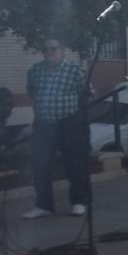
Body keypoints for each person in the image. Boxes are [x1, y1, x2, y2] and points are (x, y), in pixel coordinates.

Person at [23, 37, 89, 219]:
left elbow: (86, 93)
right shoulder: (35, 71)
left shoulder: (75, 70)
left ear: (62, 50)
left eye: (53, 49)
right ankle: (44, 205)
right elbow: (31, 91)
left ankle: (78, 202)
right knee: (40, 165)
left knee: (74, 163)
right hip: (43, 123)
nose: (49, 53)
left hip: (68, 122)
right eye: (45, 50)